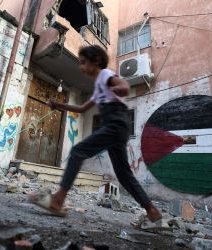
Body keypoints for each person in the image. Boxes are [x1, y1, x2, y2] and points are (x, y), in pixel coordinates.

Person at [31, 45, 162, 222]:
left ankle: (58, 199)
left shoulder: (105, 75)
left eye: (83, 62)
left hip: (115, 123)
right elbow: (82, 109)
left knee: (78, 151)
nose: (81, 67)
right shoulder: (98, 86)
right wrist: (58, 105)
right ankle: (152, 211)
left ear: (96, 61)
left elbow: (123, 84)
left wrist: (121, 89)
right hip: (116, 125)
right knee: (123, 174)